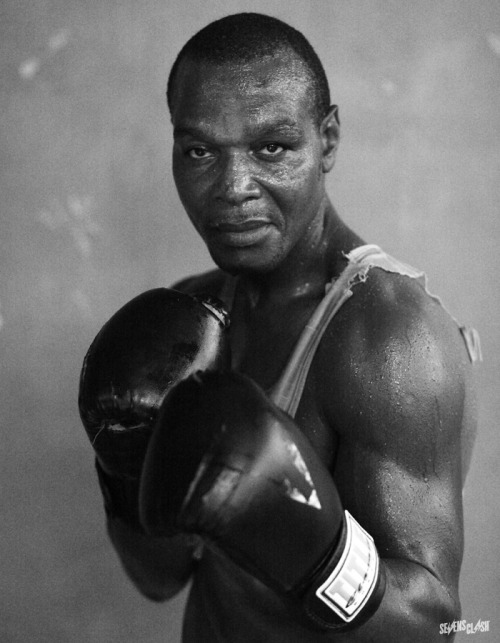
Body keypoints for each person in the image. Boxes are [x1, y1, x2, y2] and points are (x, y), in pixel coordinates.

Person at [79, 13, 481, 642]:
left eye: (271, 147)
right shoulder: (192, 318)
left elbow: (434, 624)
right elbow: (159, 579)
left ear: (328, 139)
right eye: (199, 151)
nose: (233, 188)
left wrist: (314, 551)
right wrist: (123, 472)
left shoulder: (388, 337)